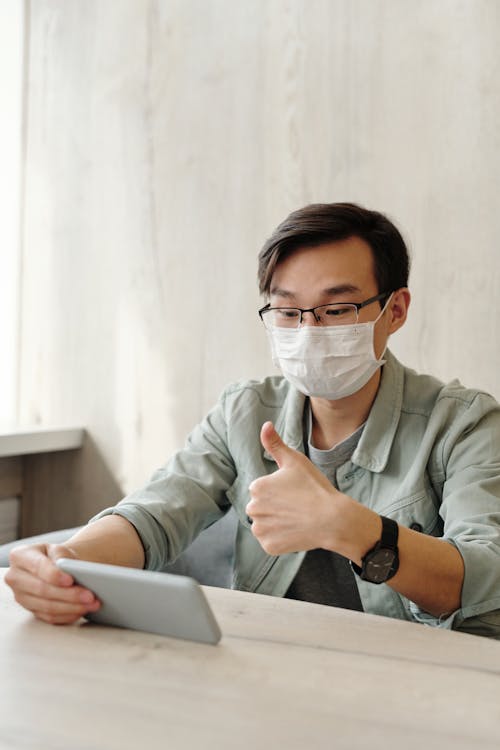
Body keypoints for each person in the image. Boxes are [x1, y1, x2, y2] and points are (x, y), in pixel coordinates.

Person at [6, 202, 500, 637]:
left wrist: (352, 529)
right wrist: (67, 563)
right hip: (270, 668)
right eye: (287, 312)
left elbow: (487, 575)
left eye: (336, 308)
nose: (309, 332)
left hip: (413, 685)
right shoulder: (244, 412)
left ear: (395, 311)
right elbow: (155, 516)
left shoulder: (463, 424)